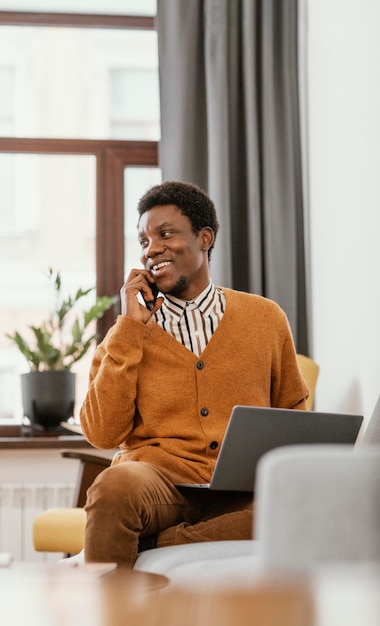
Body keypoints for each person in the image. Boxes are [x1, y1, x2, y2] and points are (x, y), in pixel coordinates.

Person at [80, 180, 308, 567]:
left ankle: (158, 545)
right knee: (113, 489)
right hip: (158, 481)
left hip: (239, 488)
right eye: (144, 241)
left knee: (295, 507)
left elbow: (293, 414)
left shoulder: (266, 318)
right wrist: (130, 328)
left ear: (204, 238)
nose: (151, 249)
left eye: (164, 234)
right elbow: (101, 432)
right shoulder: (127, 334)